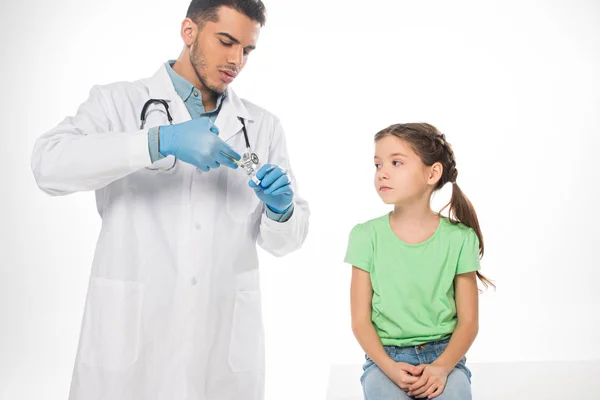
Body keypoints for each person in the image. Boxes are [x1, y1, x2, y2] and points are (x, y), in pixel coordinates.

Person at [30, 1, 309, 399]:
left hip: (221, 354)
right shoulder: (118, 104)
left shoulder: (261, 127)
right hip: (129, 347)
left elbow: (287, 241)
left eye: (246, 50)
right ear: (189, 31)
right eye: (226, 41)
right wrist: (157, 141)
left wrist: (281, 212)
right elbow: (48, 165)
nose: (236, 60)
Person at [345, 123, 493, 399]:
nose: (382, 173)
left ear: (432, 173)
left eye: (396, 162)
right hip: (385, 359)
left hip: (445, 358)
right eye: (377, 165)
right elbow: (360, 321)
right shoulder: (365, 236)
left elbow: (469, 321)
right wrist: (389, 367)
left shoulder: (460, 238)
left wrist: (442, 367)